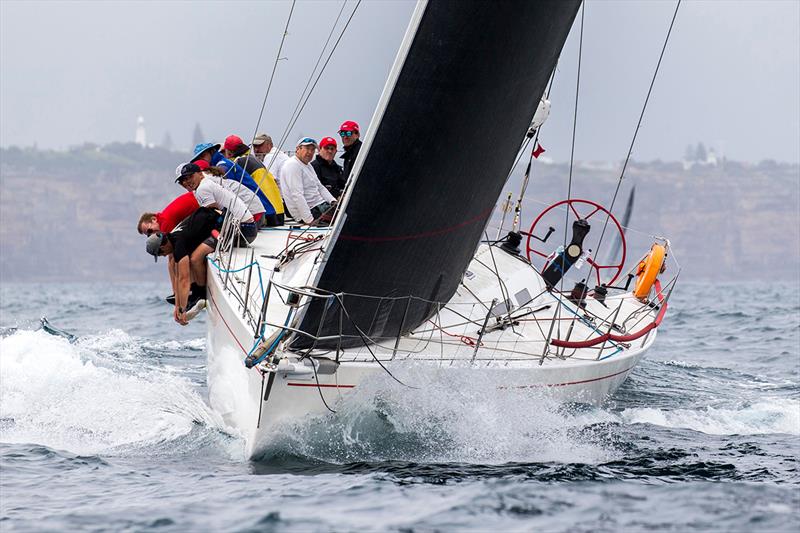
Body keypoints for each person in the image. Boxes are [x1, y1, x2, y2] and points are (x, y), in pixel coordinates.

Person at [146, 206, 221, 325]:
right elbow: (178, 276)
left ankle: (201, 295)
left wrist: (182, 308)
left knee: (195, 259)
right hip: (209, 219)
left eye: (161, 253)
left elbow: (184, 280)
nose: (164, 256)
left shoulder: (178, 244)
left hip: (220, 224)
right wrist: (177, 305)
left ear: (163, 246)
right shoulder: (173, 237)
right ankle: (197, 295)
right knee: (186, 263)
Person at [191, 141, 278, 222]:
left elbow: (228, 194)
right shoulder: (223, 163)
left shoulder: (222, 166)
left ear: (211, 152)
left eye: (202, 156)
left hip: (257, 211)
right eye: (199, 158)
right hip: (261, 208)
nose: (201, 160)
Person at [175, 162, 258, 245]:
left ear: (200, 174)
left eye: (190, 177)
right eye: (182, 181)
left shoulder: (202, 188)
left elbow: (211, 216)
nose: (186, 182)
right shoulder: (206, 182)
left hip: (243, 231)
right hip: (250, 229)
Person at [220, 134, 285, 226]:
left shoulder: (238, 163)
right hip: (279, 210)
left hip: (268, 213)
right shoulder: (252, 159)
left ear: (229, 152)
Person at [193, 160, 266, 226]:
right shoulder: (219, 180)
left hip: (253, 216)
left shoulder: (208, 183)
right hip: (259, 214)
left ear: (200, 173)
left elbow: (212, 210)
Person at [281, 138, 336, 224]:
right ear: (298, 149)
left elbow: (320, 187)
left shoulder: (308, 165)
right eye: (307, 148)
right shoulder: (292, 165)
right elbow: (297, 195)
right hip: (311, 211)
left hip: (320, 206)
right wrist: (309, 220)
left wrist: (333, 201)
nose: (310, 152)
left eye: (312, 149)